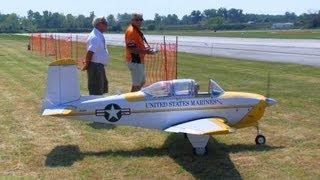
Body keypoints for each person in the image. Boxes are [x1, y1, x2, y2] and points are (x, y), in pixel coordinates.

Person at [125, 13, 157, 92]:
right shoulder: (131, 31)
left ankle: (133, 99)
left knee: (141, 82)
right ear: (132, 20)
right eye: (137, 20)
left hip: (138, 60)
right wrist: (147, 51)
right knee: (137, 84)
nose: (139, 21)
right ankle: (131, 102)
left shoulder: (136, 30)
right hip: (135, 60)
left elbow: (138, 46)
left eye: (140, 19)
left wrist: (147, 49)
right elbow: (131, 49)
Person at [82, 17, 109, 95]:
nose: (107, 25)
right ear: (99, 24)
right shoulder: (95, 37)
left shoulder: (98, 35)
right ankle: (94, 106)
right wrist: (87, 65)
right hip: (95, 67)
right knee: (96, 90)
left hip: (98, 66)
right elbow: (90, 52)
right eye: (105, 23)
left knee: (101, 88)